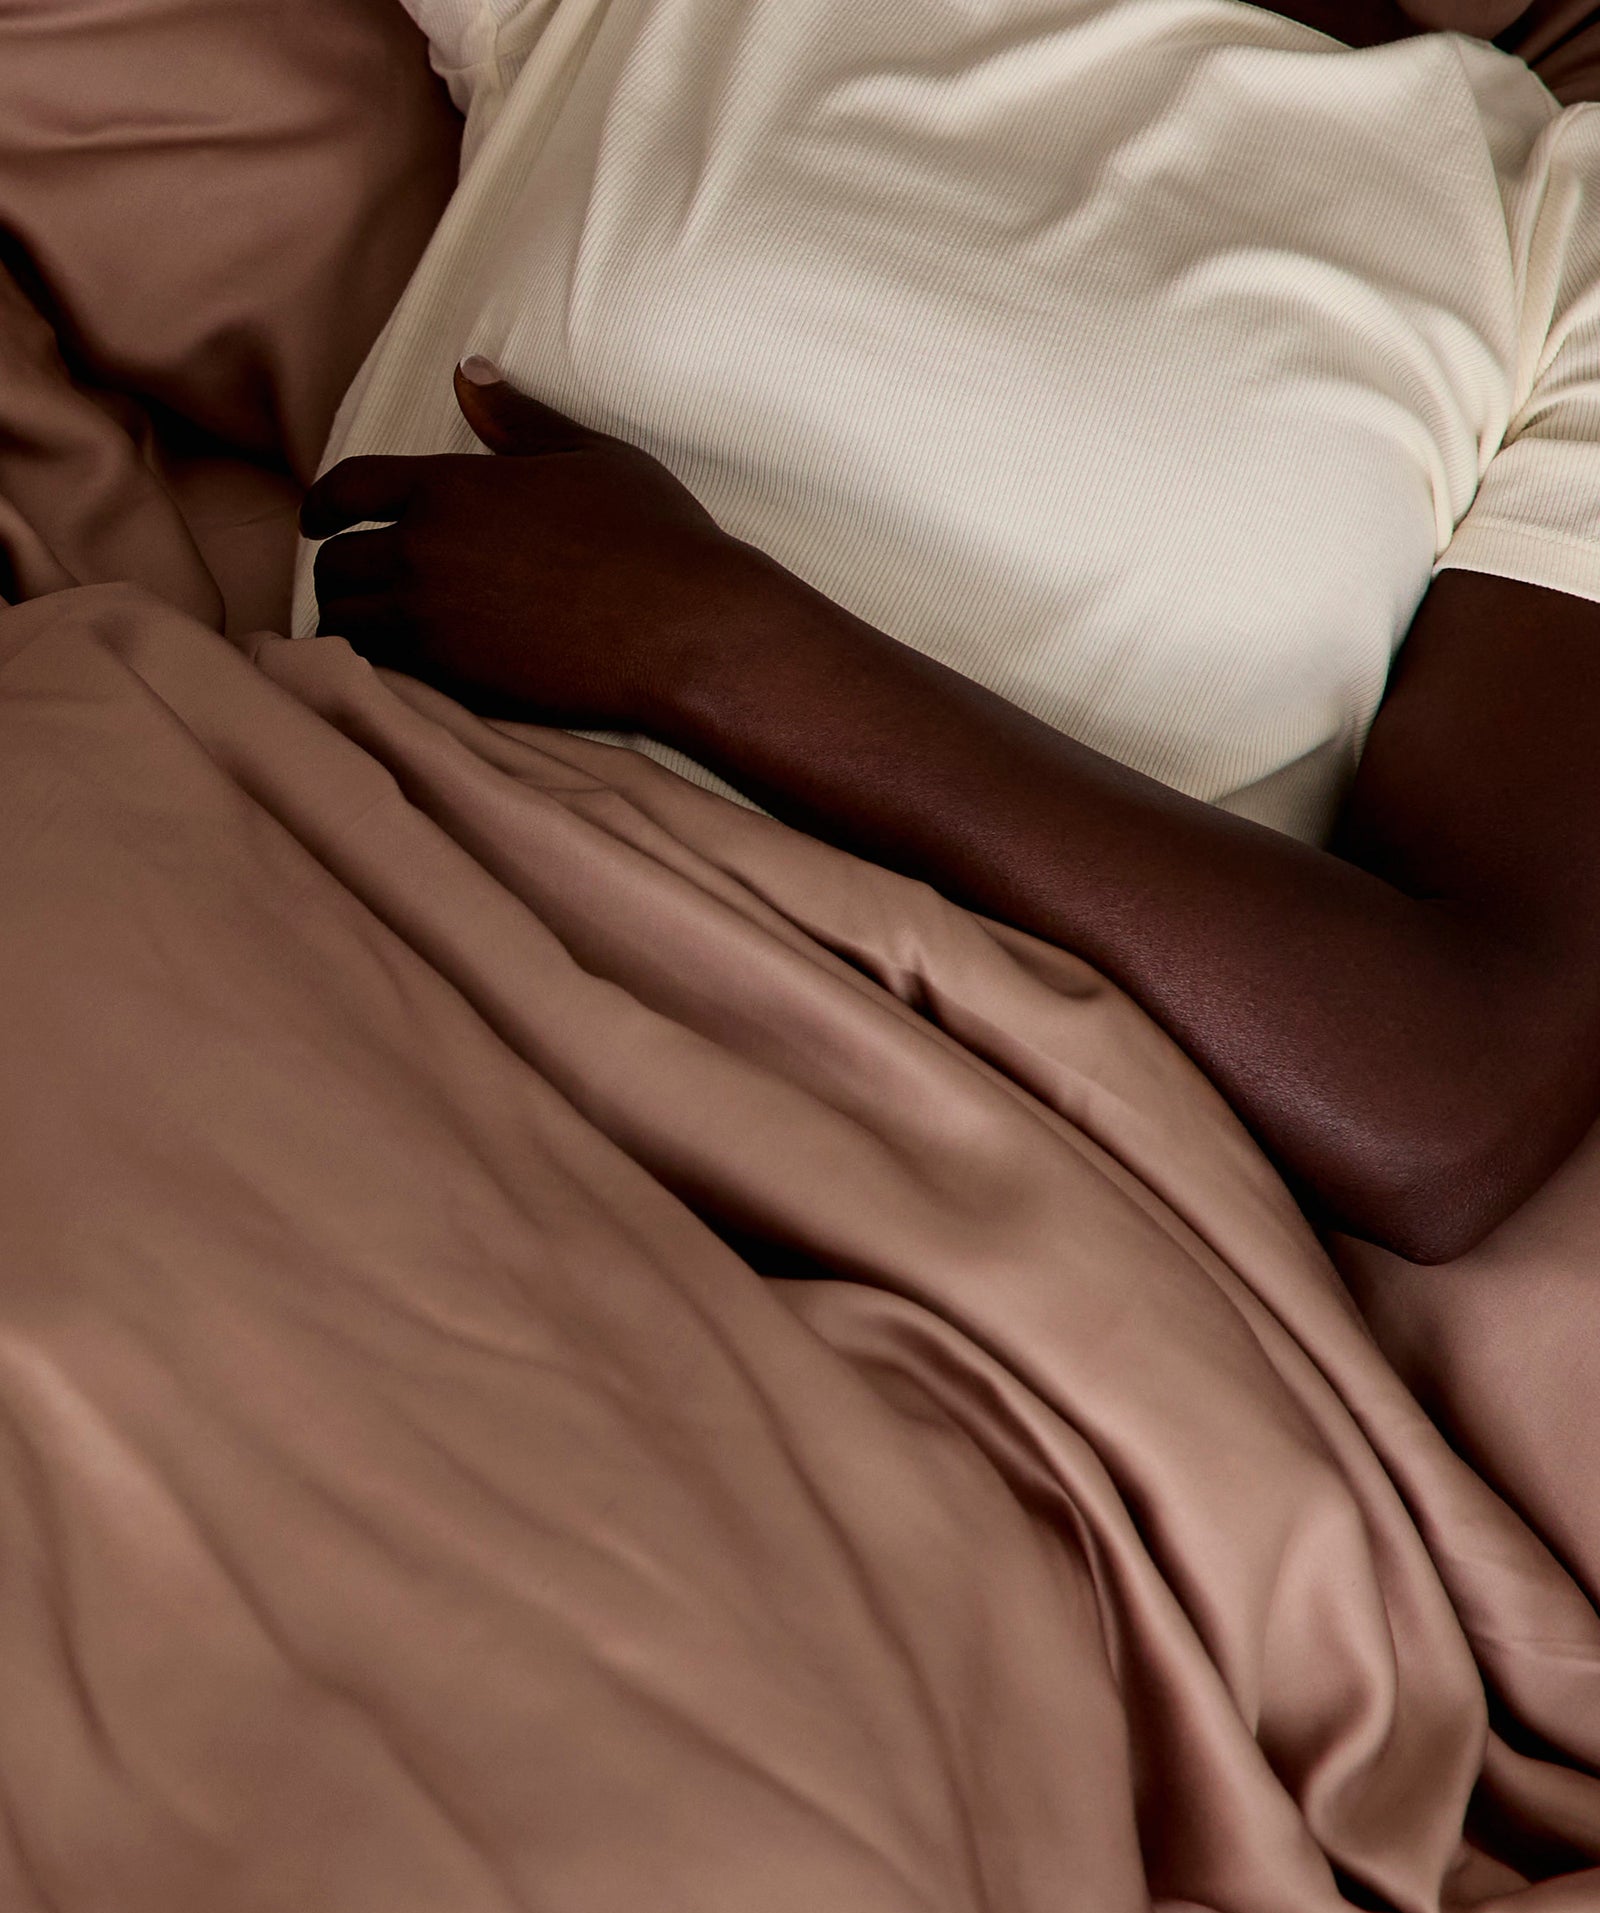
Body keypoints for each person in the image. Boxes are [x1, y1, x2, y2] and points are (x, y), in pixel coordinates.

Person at [297, 0, 1600, 1266]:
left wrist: (718, 645)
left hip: (911, 1184)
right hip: (338, 916)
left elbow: (1453, 1098)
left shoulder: (1561, 235)